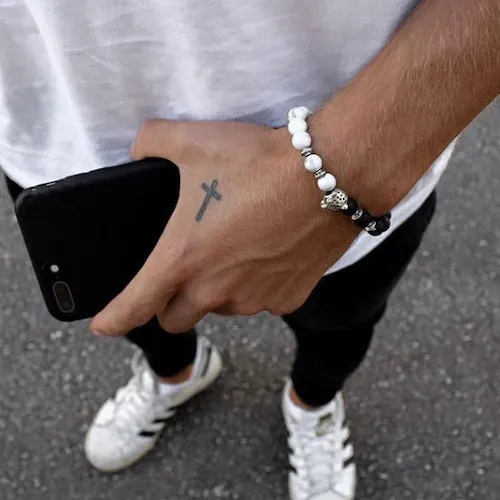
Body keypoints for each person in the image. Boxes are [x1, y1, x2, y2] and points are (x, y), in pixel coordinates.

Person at [1, 1, 499, 498]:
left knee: (339, 322)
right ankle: (177, 376)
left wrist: (346, 168)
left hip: (340, 153)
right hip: (61, 141)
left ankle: (313, 405)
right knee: (139, 313)